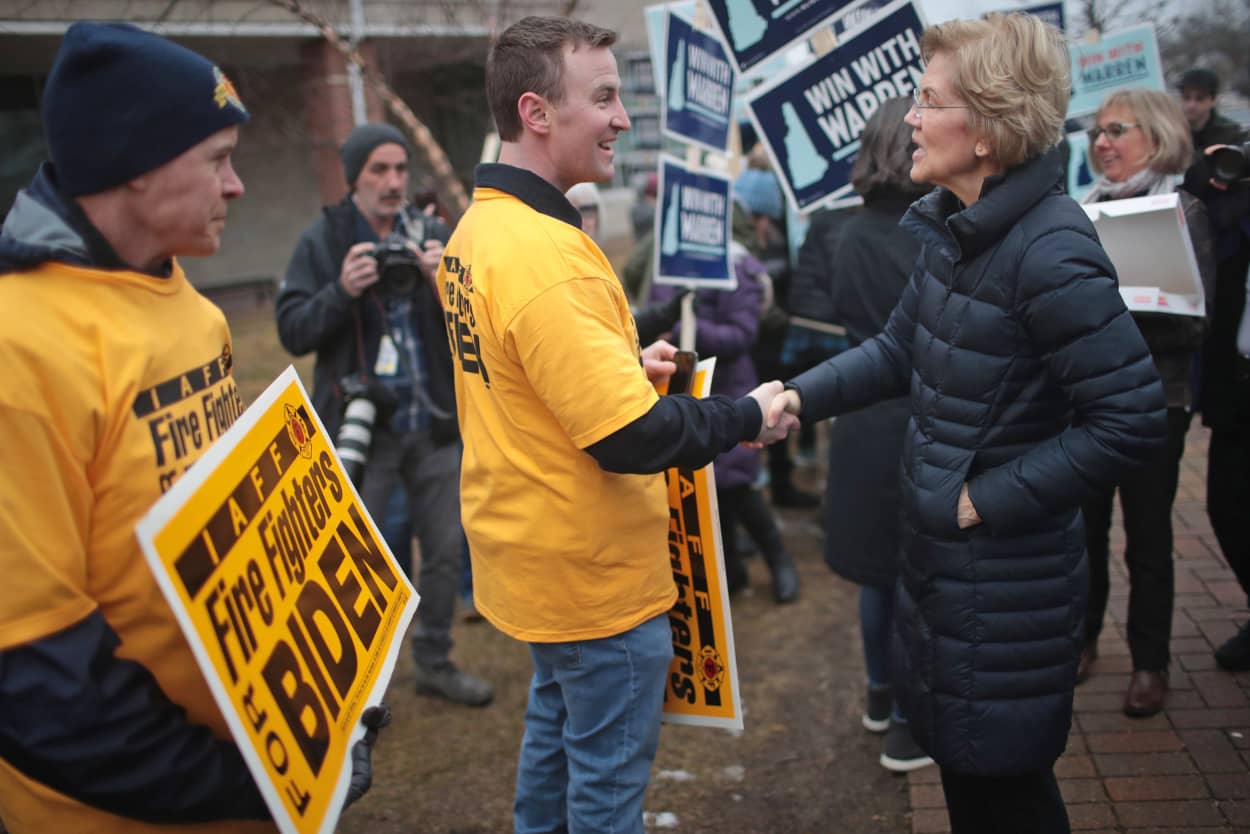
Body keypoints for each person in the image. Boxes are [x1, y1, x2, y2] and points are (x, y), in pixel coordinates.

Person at [767, 14, 1166, 833]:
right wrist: (793, 398)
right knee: (972, 786)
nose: (909, 118)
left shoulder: (1052, 248)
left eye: (927, 100)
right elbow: (895, 352)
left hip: (1006, 589)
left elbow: (1130, 419)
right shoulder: (957, 232)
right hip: (949, 580)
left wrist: (981, 501)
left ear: (985, 129)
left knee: (1007, 797)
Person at [0, 22, 387, 833]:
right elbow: (31, 671)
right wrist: (237, 787)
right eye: (217, 158)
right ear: (134, 166)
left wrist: (332, 694)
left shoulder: (196, 311)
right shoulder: (17, 350)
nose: (237, 185)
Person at [438, 16, 795, 834]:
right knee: (603, 794)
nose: (622, 119)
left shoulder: (479, 229)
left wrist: (614, 367)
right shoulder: (547, 255)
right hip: (589, 576)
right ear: (536, 112)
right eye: (602, 97)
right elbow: (629, 438)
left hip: (533, 560)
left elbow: (518, 376)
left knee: (555, 746)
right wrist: (745, 416)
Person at [275, 122, 492, 707]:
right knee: (358, 562)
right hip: (362, 431)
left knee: (445, 551)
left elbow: (479, 324)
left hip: (435, 423)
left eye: (400, 169)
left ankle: (435, 661)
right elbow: (293, 331)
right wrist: (341, 290)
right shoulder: (323, 241)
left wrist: (443, 281)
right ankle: (359, 689)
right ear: (353, 178)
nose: (394, 182)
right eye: (380, 170)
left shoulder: (432, 232)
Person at [792, 96, 935, 771]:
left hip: (860, 421)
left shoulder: (845, 234)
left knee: (878, 580)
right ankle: (908, 723)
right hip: (917, 421)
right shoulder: (935, 234)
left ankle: (881, 698)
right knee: (914, 582)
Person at [1076, 89, 1216, 717]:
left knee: (1147, 537)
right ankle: (1081, 643)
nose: (1102, 142)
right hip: (1086, 400)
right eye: (1097, 133)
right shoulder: (1083, 211)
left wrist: (1119, 307)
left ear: (1156, 135)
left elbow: (1197, 322)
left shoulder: (1183, 210)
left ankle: (1149, 663)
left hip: (1157, 400)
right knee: (1084, 530)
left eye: (1116, 130)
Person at [650, 232, 801, 604]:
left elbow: (743, 334)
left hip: (729, 389)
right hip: (683, 391)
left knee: (737, 484)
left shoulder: (738, 270)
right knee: (708, 488)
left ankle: (780, 561)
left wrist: (691, 325)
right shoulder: (669, 265)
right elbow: (655, 312)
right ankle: (731, 570)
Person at [1177, 68, 1247, 165]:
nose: (1191, 105)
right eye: (1186, 98)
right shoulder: (1173, 133)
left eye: (1199, 99)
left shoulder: (1231, 133)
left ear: (1213, 100)